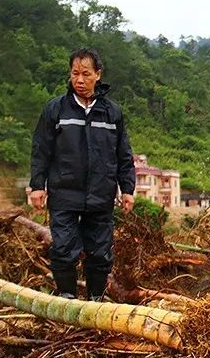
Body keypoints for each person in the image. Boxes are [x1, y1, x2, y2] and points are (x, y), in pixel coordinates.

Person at [29, 48, 136, 300]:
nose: (79, 80)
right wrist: (37, 185)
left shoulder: (112, 113)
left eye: (86, 74)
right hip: (64, 192)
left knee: (100, 253)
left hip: (101, 194)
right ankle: (67, 298)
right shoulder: (56, 110)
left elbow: (124, 154)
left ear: (98, 75)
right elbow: (40, 149)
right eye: (75, 73)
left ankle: (95, 300)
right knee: (64, 249)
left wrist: (128, 189)